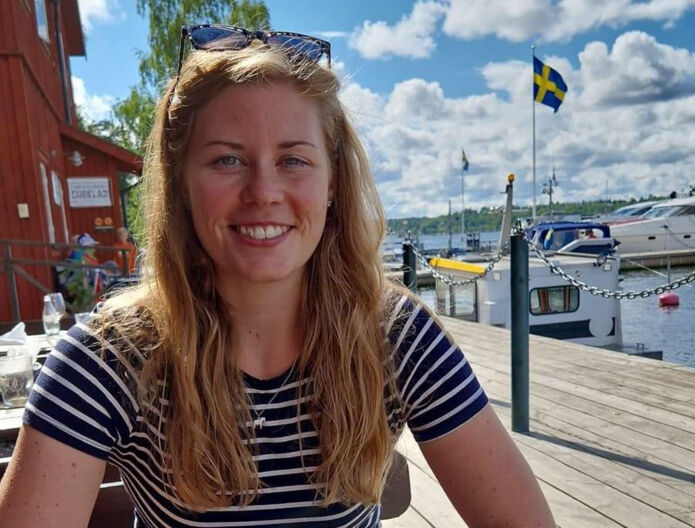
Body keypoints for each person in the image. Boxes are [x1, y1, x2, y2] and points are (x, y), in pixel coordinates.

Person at [0, 25, 555, 527]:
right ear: (181, 185)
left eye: (293, 159)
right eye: (227, 160)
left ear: (333, 183)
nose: (264, 192)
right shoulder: (107, 363)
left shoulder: (395, 336)